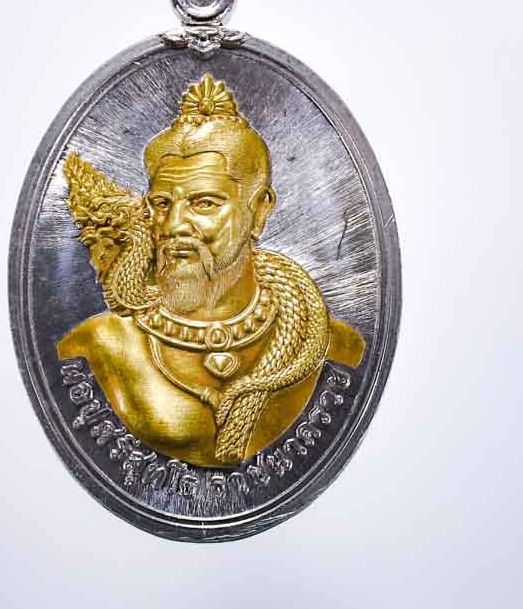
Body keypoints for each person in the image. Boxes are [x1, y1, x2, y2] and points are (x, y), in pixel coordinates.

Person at [57, 74, 364, 466]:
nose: (172, 226)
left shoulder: (331, 344)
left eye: (204, 203)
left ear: (259, 210)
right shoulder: (97, 345)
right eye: (163, 204)